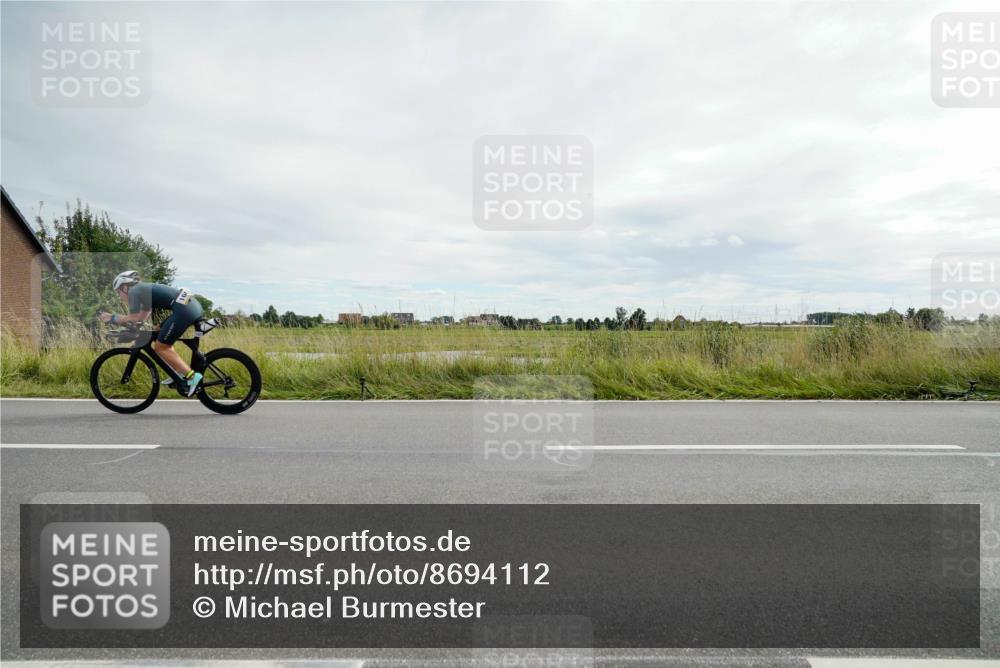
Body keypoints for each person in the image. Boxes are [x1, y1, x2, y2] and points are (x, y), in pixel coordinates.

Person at [99, 270, 204, 396]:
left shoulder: (134, 292)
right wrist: (136, 327)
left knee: (161, 347)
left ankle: (193, 378)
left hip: (184, 310)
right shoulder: (142, 290)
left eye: (118, 292)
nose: (119, 296)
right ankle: (180, 371)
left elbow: (133, 317)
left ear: (125, 287)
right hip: (190, 306)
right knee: (160, 333)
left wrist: (112, 318)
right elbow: (142, 316)